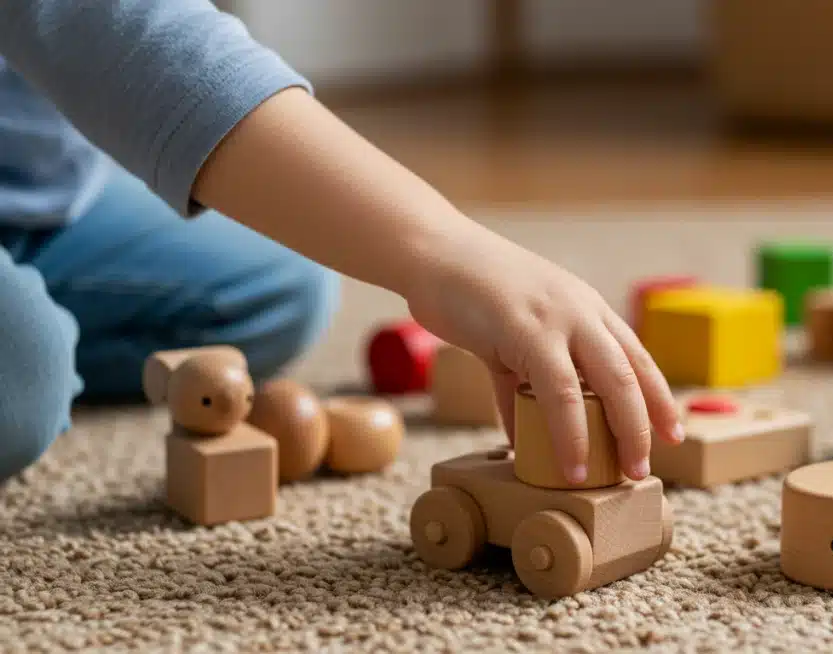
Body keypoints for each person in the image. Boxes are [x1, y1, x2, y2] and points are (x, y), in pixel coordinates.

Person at [0, 1, 683, 484]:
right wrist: (441, 247)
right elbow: (119, 28)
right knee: (24, 381)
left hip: (37, 192)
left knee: (277, 288)